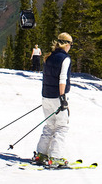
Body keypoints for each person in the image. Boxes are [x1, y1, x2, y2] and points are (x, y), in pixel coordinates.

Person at [33, 32, 73, 168]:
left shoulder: (49, 57)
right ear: (66, 44)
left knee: (49, 125)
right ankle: (55, 157)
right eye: (70, 44)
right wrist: (63, 98)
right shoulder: (65, 59)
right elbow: (62, 79)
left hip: (46, 96)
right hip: (57, 96)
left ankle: (41, 154)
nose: (70, 47)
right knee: (61, 126)